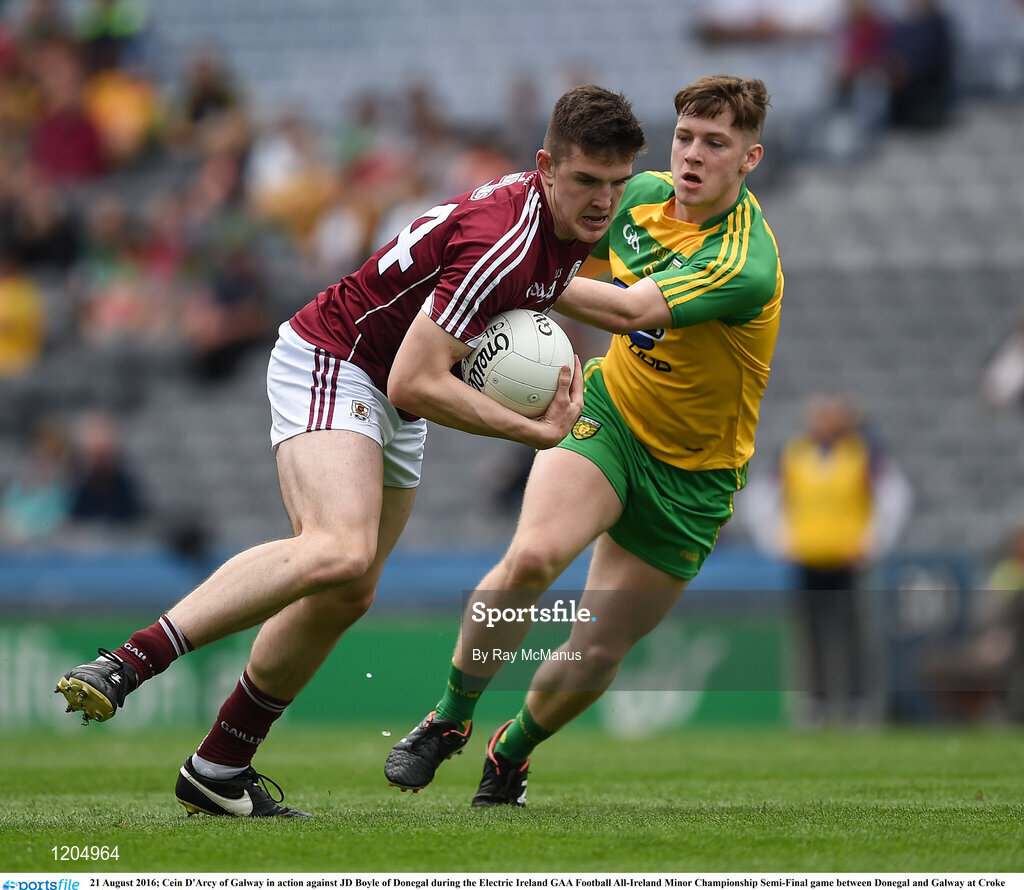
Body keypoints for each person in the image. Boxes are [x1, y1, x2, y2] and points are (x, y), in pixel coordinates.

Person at [53, 85, 647, 818]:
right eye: (587, 181)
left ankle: (218, 767)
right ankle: (129, 661)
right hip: (339, 357)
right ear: (546, 165)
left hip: (386, 383)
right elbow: (416, 378)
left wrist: (659, 312)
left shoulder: (558, 221)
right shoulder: (509, 242)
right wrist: (531, 431)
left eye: (617, 184)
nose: (603, 201)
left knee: (350, 587)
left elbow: (548, 293)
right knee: (336, 548)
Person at [384, 74, 783, 806]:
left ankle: (513, 750)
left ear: (749, 159)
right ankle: (450, 718)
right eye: (685, 137)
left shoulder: (745, 261)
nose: (693, 155)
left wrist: (517, 277)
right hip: (610, 417)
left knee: (598, 647)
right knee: (532, 557)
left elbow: (632, 310)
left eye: (716, 144)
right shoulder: (634, 197)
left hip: (694, 478)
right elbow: (542, 218)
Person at [745, 394, 912, 725]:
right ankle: (815, 703)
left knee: (851, 631)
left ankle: (855, 700)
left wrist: (872, 542)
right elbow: (760, 497)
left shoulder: (864, 455)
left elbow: (895, 497)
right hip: (808, 558)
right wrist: (777, 538)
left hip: (846, 559)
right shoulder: (793, 454)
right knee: (811, 632)